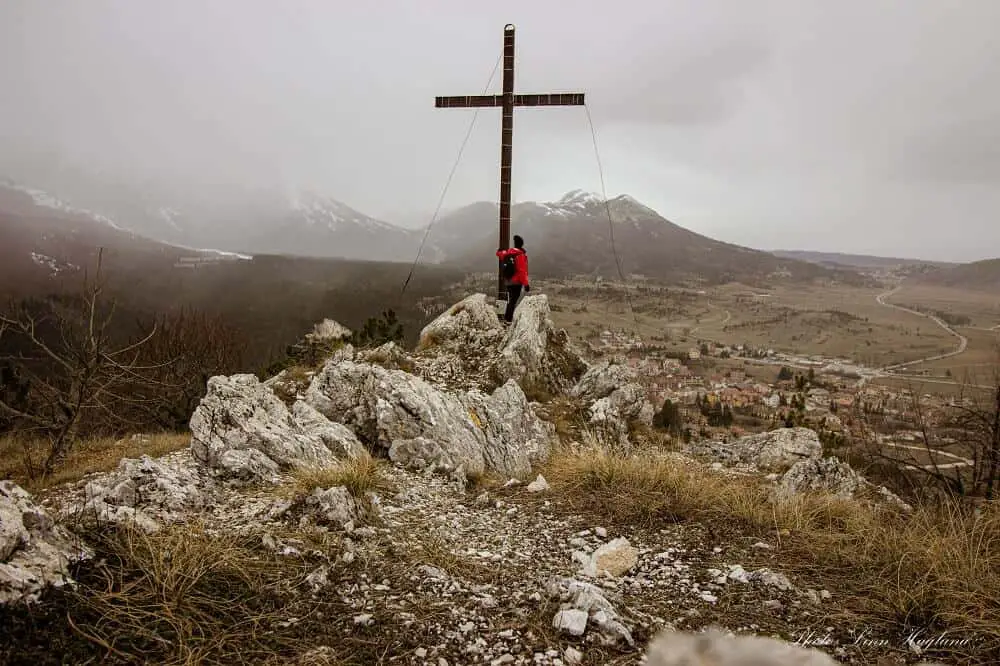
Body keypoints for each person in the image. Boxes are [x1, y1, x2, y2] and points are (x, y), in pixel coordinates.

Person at [496, 234, 530, 323]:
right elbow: (522, 271)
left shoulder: (509, 252)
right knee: (513, 300)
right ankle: (508, 319)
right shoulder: (520, 255)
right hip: (516, 282)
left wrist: (499, 252)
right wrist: (526, 284)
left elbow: (501, 254)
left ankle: (507, 318)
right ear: (521, 245)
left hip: (508, 281)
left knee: (510, 299)